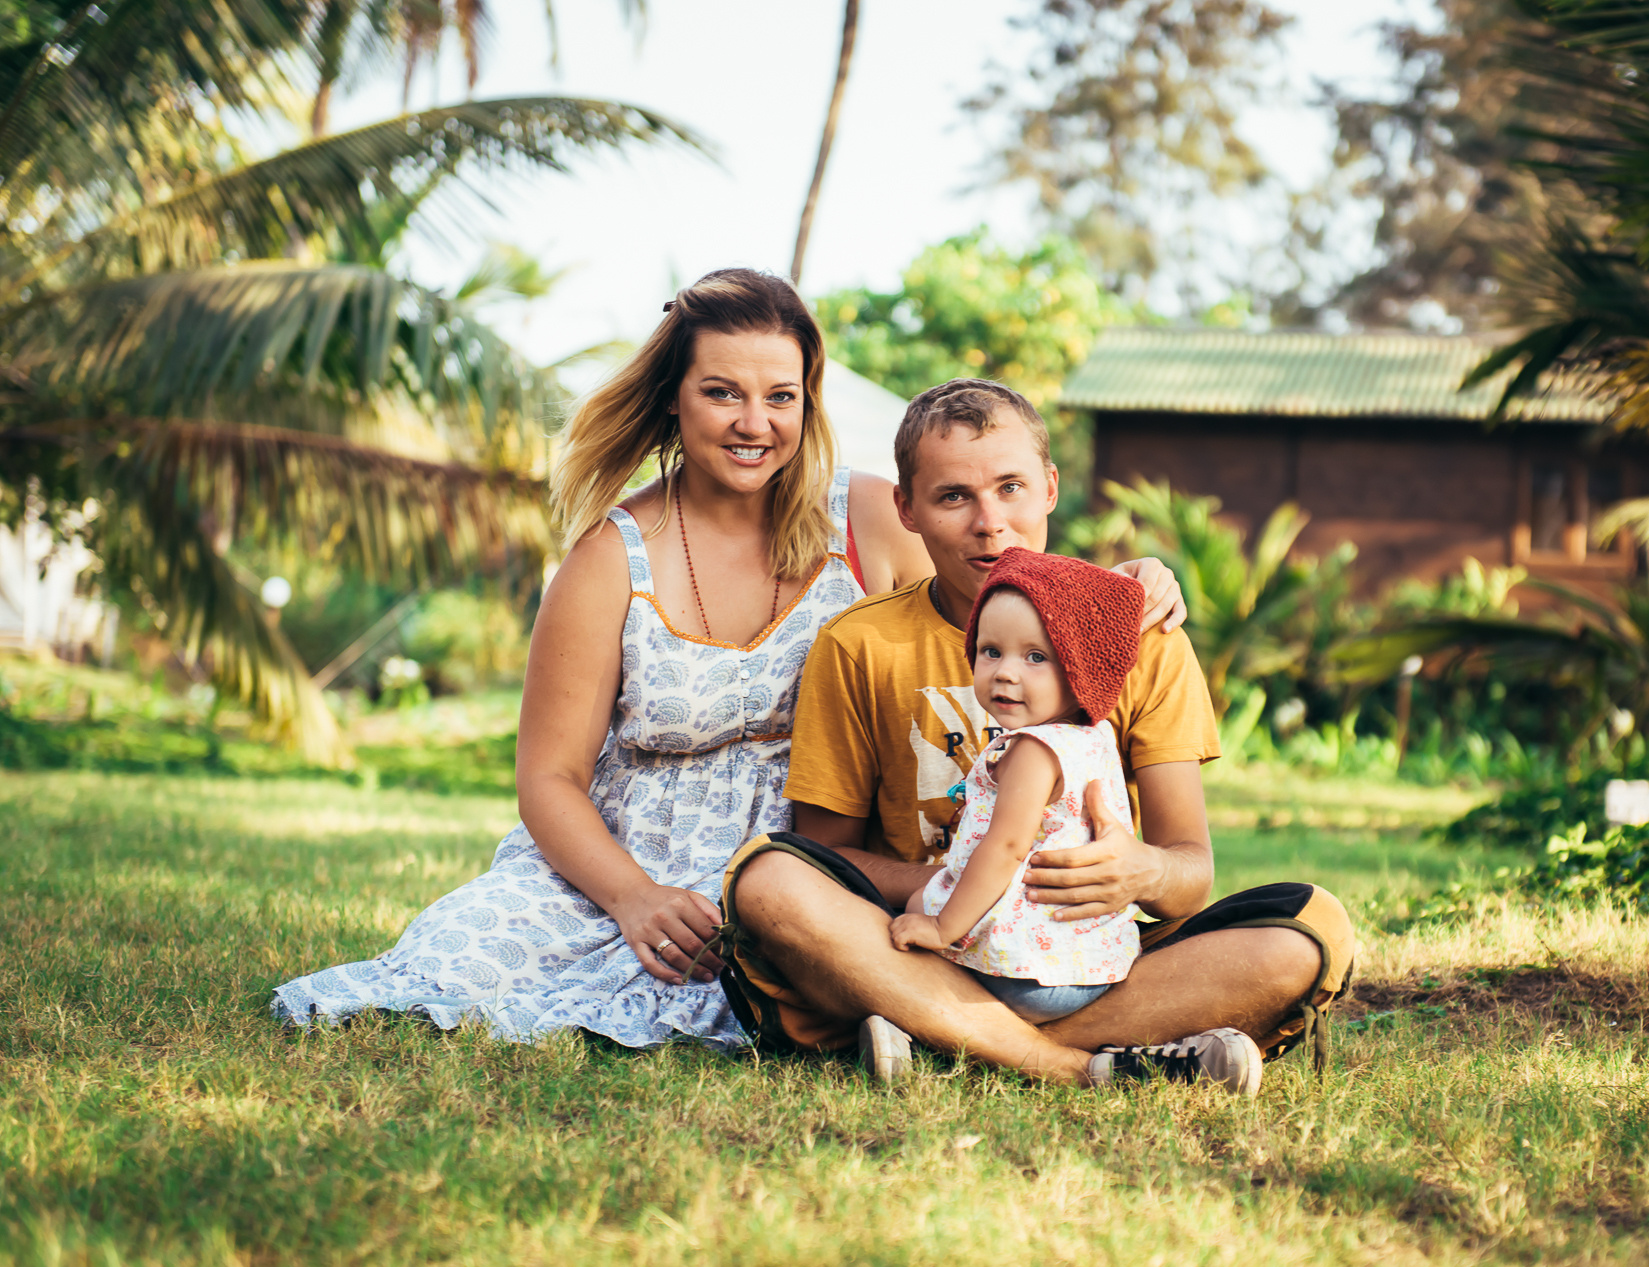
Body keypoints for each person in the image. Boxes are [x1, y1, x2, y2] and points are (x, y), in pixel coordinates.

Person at [272, 271, 1185, 1050]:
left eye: (781, 396)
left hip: (813, 865)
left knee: (829, 948)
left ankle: (989, 1028)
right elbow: (549, 778)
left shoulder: (868, 516)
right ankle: (1035, 1044)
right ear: (675, 395)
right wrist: (634, 899)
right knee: (459, 965)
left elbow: (999, 579)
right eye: (723, 393)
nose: (756, 423)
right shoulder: (608, 558)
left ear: (808, 400)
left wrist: (1128, 581)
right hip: (629, 870)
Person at [714, 378, 1358, 1092]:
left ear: (1050, 486)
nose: (991, 523)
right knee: (768, 880)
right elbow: (829, 856)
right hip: (923, 947)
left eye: (1011, 487)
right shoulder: (860, 644)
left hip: (1084, 960)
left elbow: (1189, 873)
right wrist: (966, 887)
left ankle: (927, 1034)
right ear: (907, 508)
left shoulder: (1140, 634)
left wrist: (1139, 871)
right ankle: (1076, 1066)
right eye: (954, 496)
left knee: (1307, 931)